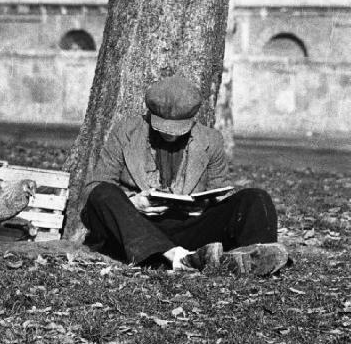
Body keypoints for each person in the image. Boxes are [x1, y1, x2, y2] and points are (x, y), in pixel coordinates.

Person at [80, 75, 289, 275]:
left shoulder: (211, 139)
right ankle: (176, 257)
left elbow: (222, 192)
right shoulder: (125, 131)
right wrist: (134, 203)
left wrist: (206, 204)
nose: (171, 134)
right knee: (102, 193)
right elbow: (94, 188)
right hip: (135, 230)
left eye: (178, 128)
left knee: (255, 197)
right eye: (163, 127)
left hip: (188, 228)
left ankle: (257, 258)